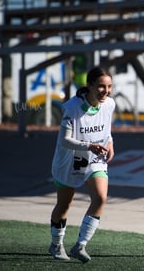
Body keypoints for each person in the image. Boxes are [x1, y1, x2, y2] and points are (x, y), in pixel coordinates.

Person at [49, 67, 115, 263]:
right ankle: (56, 244)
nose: (106, 91)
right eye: (101, 86)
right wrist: (89, 145)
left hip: (94, 160)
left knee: (100, 198)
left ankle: (80, 245)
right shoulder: (71, 108)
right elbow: (64, 140)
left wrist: (110, 144)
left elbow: (106, 130)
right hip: (68, 161)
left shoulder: (109, 104)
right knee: (64, 204)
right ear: (90, 86)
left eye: (109, 86)